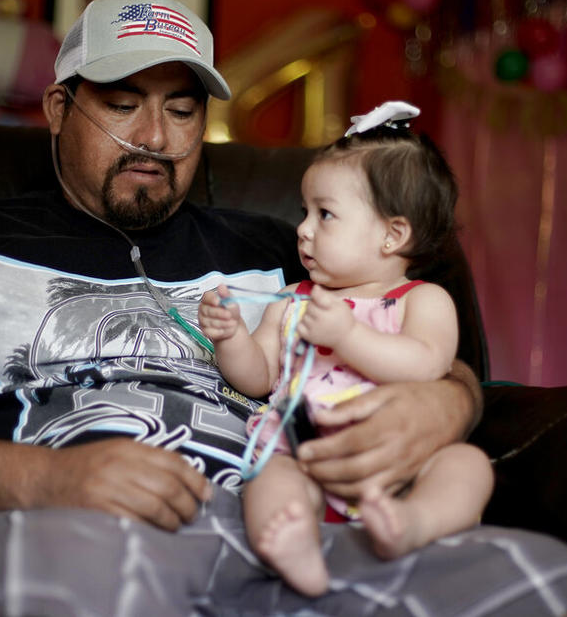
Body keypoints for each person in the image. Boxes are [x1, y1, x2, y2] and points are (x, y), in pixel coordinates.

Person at [0, 0, 567, 615]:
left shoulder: (284, 244)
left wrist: (447, 404)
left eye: (181, 109)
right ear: (57, 109)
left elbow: (433, 350)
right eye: (121, 101)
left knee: (542, 582)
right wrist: (49, 481)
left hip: (283, 531)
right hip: (53, 529)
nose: (155, 135)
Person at [198, 105, 495, 597]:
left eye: (325, 214)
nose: (304, 229)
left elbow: (428, 365)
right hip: (307, 454)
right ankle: (295, 544)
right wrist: (231, 338)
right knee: (271, 478)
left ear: (392, 235)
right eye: (304, 213)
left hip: (401, 465)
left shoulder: (423, 300)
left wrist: (350, 337)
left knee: (468, 468)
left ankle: (412, 522)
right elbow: (257, 378)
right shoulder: (294, 300)